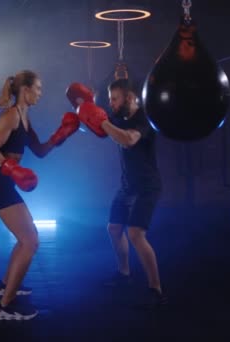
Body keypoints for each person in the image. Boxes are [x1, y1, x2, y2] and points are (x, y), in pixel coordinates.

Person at [0, 70, 80, 320]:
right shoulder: (12, 116)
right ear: (25, 90)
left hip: (4, 184)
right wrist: (12, 168)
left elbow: (39, 151)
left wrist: (61, 135)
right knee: (31, 241)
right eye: (37, 88)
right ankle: (4, 306)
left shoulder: (25, 118)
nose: (40, 92)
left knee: (26, 239)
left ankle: (5, 285)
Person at [73, 78, 168, 309]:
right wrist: (83, 110)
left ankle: (156, 289)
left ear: (129, 97)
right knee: (114, 229)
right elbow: (96, 126)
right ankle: (124, 273)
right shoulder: (117, 116)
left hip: (147, 185)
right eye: (109, 100)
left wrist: (102, 121)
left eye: (115, 99)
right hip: (128, 185)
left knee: (136, 234)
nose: (111, 104)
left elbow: (128, 139)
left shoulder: (144, 118)